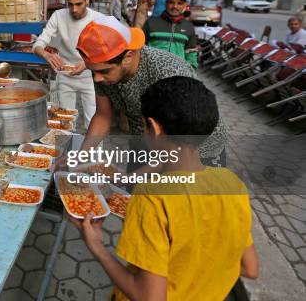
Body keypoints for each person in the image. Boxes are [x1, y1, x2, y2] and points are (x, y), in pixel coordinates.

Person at [71, 76, 258, 300]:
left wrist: (96, 246)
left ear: (154, 127)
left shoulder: (152, 197)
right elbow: (250, 269)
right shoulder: (232, 183)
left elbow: (149, 297)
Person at [75, 15, 228, 168]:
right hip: (147, 139)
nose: (97, 79)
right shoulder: (102, 69)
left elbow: (178, 139)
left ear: (127, 57)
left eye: (103, 72)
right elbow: (103, 115)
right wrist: (81, 156)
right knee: (134, 188)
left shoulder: (166, 71)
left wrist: (138, 176)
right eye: (92, 71)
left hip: (191, 146)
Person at [33, 0, 104, 127]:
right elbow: (38, 44)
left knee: (93, 121)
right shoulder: (59, 16)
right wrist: (47, 55)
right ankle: (66, 149)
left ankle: (93, 150)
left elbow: (106, 50)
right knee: (65, 121)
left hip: (91, 76)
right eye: (70, 4)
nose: (74, 9)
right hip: (65, 74)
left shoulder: (99, 19)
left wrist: (87, 63)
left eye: (79, 4)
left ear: (87, 0)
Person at [143, 0, 198, 69]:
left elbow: (191, 53)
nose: (175, 6)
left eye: (179, 3)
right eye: (171, 2)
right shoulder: (151, 23)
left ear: (185, 5)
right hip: (152, 72)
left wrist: (191, 70)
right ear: (166, 3)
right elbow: (141, 48)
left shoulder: (188, 26)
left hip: (177, 74)